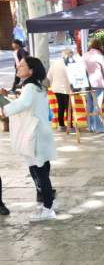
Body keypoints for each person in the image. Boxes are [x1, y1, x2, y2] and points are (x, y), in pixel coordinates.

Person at [0, 57, 57, 221]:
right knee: (41, 169)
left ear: (31, 71)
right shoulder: (36, 87)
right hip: (40, 133)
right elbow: (23, 103)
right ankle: (47, 204)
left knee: (40, 172)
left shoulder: (31, 87)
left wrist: (4, 111)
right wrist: (8, 100)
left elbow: (22, 105)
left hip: (35, 135)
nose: (19, 66)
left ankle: (48, 208)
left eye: (23, 65)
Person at [83, 39, 104, 134]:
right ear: (100, 46)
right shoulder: (100, 57)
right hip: (98, 83)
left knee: (90, 105)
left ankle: (91, 127)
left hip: (86, 84)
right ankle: (99, 128)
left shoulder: (85, 55)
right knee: (97, 105)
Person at [47, 50, 74, 131]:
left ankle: (61, 125)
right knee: (68, 107)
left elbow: (49, 76)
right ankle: (70, 126)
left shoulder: (55, 63)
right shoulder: (69, 63)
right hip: (66, 88)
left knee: (61, 107)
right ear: (70, 55)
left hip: (56, 88)